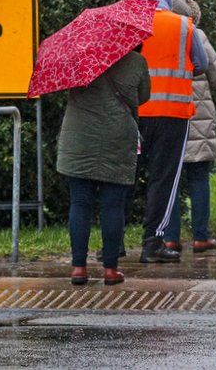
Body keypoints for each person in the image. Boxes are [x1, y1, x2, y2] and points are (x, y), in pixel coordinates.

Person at [58, 47, 150, 286]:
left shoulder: (78, 55)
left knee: (79, 202)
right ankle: (110, 269)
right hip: (117, 135)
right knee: (113, 205)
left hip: (79, 135)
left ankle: (78, 267)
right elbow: (145, 96)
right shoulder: (136, 62)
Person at [135, 0, 208, 263]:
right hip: (173, 115)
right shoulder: (183, 25)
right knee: (163, 179)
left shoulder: (132, 24)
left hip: (136, 113)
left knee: (126, 179)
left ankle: (112, 246)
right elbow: (201, 65)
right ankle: (152, 243)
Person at [164, 0, 216, 254]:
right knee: (199, 177)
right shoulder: (196, 34)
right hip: (199, 116)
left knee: (170, 180)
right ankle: (201, 237)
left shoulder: (156, 34)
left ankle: (169, 238)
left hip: (167, 111)